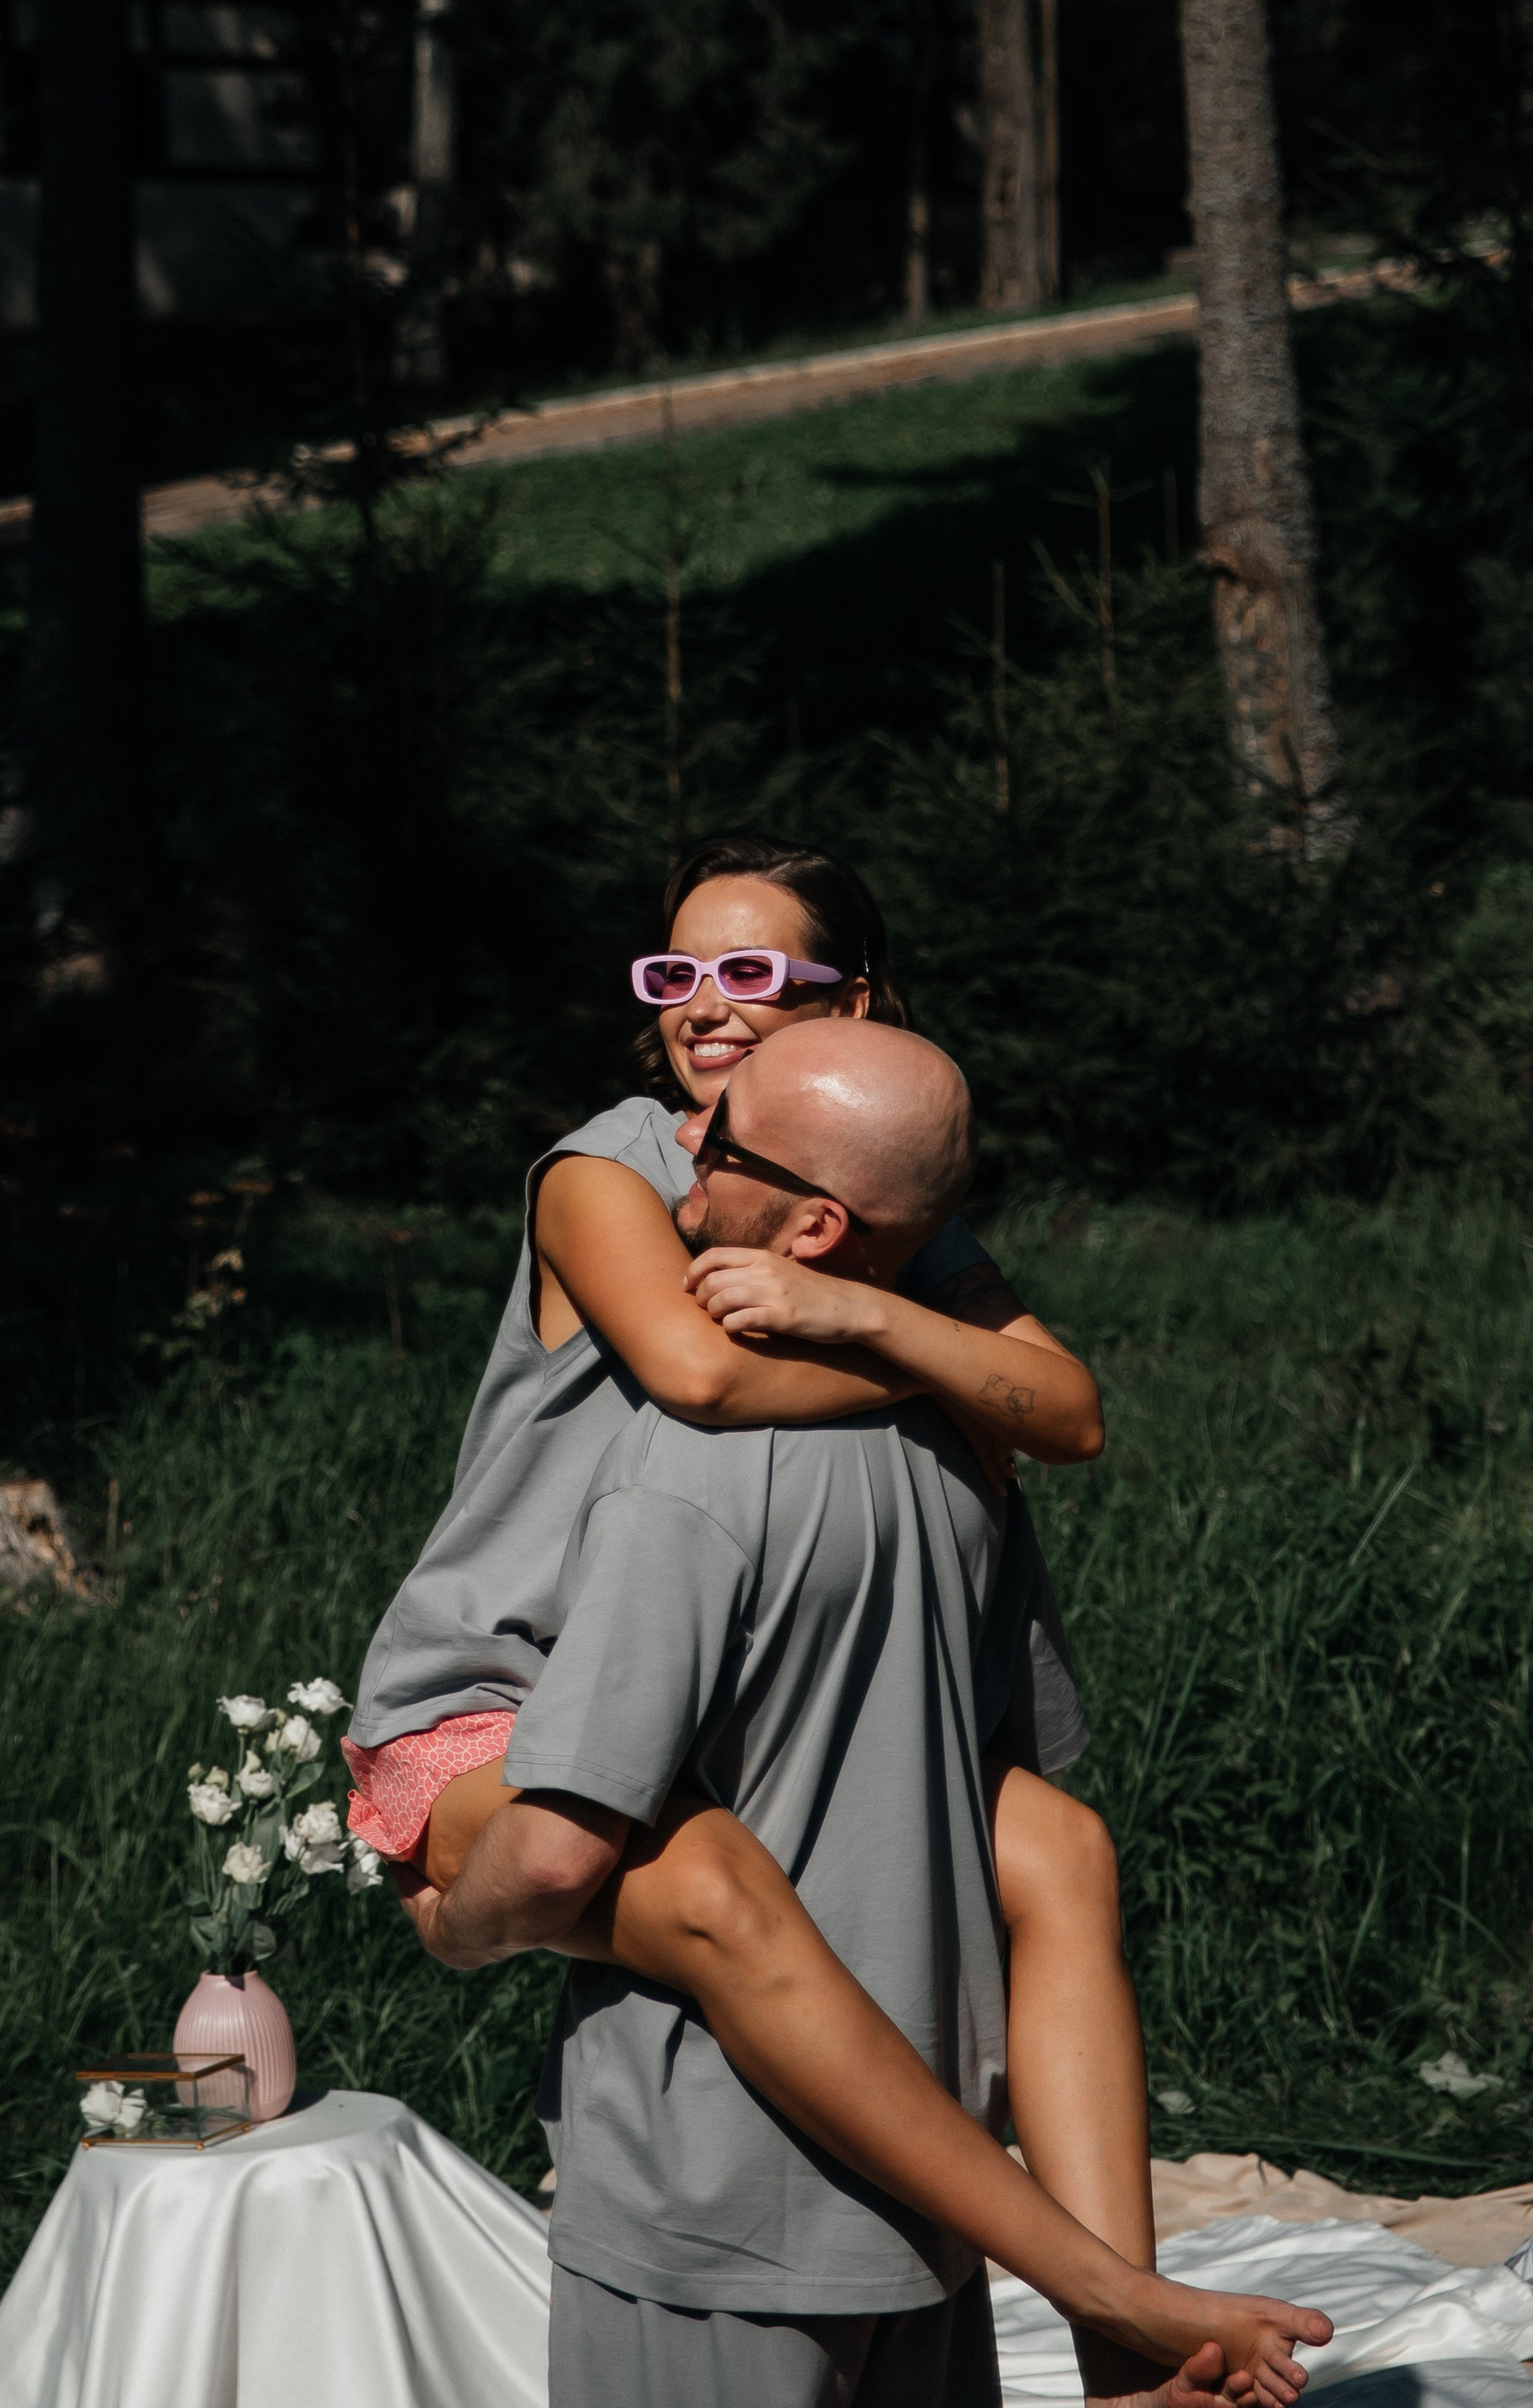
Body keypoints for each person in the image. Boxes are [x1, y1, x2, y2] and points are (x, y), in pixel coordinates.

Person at [398, 1027, 1332, 2408]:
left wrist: (442, 1923)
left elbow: (553, 1856)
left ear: (824, 1222)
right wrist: (923, 1347)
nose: (685, 1147)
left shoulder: (691, 1473)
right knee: (1030, 1848)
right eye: (682, 986)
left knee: (712, 1882)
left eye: (718, 1139)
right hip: (912, 2206)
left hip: (707, 2206)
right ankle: (1120, 2342)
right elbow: (974, 1742)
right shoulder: (963, 1443)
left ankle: (1111, 2305)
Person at [347, 835, 1153, 2397]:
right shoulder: (614, 1170)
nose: (702, 1007)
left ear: (850, 997)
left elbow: (1067, 1409)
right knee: (703, 1883)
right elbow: (705, 1379)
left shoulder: (850, 1189)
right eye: (673, 973)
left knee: (1061, 1848)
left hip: (718, 1686)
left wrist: (857, 1306)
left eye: (750, 973)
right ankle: (1061, 2265)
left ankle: (1122, 2345)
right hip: (507, 1692)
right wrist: (930, 1355)